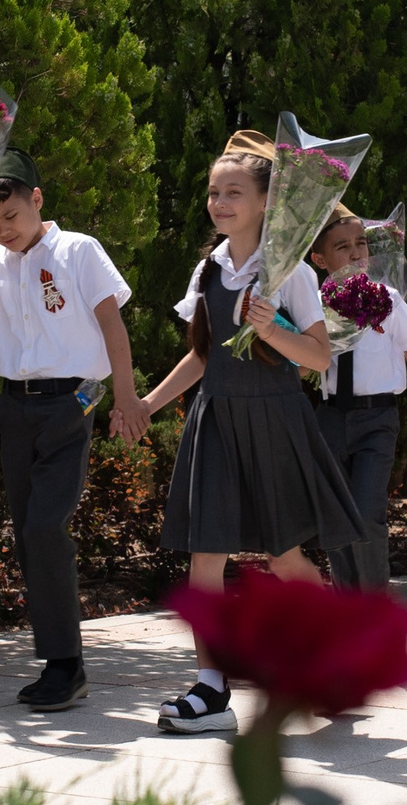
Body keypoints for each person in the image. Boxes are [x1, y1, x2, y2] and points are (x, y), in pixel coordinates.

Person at [134, 131, 359, 735]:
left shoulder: (290, 273)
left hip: (273, 416)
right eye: (213, 192)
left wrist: (271, 328)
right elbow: (204, 355)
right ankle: (212, 689)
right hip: (217, 418)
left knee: (284, 553)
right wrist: (149, 402)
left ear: (265, 202)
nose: (220, 202)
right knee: (205, 556)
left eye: (234, 191)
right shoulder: (209, 267)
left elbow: (317, 358)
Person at [0, 147, 140, 714]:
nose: (2, 232)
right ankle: (58, 661)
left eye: (11, 219)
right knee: (29, 532)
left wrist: (127, 397)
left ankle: (66, 663)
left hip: (72, 401)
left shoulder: (78, 250)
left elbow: (111, 324)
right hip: (15, 409)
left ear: (37, 199)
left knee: (46, 526)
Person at [308, 205, 407, 591]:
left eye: (361, 244)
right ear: (320, 259)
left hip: (376, 419)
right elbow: (304, 363)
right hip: (332, 417)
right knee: (336, 514)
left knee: (367, 513)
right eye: (342, 247)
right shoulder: (316, 305)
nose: (355, 253)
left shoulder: (386, 298)